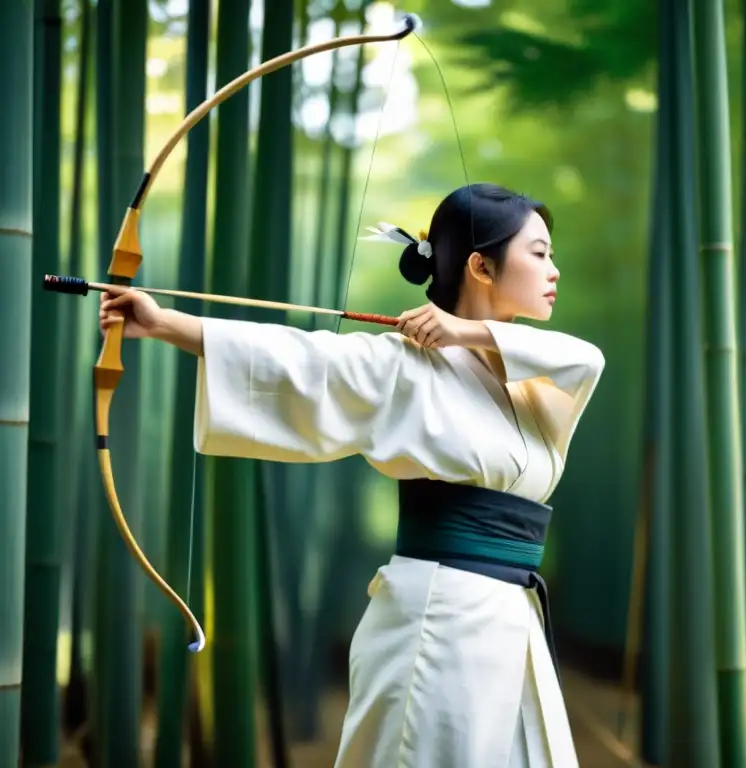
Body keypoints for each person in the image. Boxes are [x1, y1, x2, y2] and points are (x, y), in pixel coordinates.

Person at [99, 182, 605, 767]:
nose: (554, 270)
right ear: (480, 265)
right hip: (438, 621)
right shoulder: (399, 365)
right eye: (539, 253)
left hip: (510, 618)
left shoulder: (537, 379)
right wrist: (163, 323)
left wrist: (460, 330)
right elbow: (294, 360)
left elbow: (587, 358)